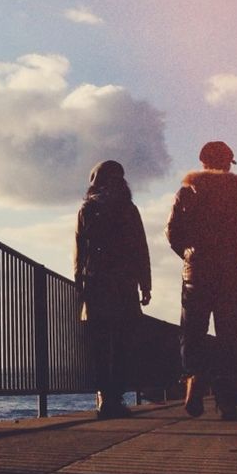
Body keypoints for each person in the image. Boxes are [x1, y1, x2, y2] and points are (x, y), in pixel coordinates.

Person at [165, 141, 237, 421]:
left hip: (196, 273)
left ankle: (194, 379)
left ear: (202, 162)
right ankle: (230, 402)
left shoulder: (187, 192)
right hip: (230, 273)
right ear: (228, 163)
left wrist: (187, 253)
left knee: (192, 332)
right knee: (229, 337)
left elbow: (173, 231)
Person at [74, 160, 152, 419]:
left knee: (98, 345)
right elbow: (141, 248)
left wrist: (79, 280)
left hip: (96, 283)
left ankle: (103, 397)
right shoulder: (129, 209)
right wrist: (145, 283)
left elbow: (79, 248)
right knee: (120, 344)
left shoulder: (88, 208)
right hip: (124, 284)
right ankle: (115, 398)